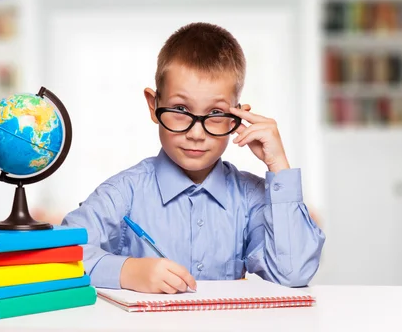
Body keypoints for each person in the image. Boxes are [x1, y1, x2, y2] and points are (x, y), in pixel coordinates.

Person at [62, 22, 325, 294]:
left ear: (237, 116)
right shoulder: (123, 192)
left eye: (215, 113)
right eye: (180, 109)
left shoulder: (250, 198)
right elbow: (59, 256)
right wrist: (126, 271)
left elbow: (294, 272)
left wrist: (278, 166)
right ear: (153, 106)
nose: (197, 133)